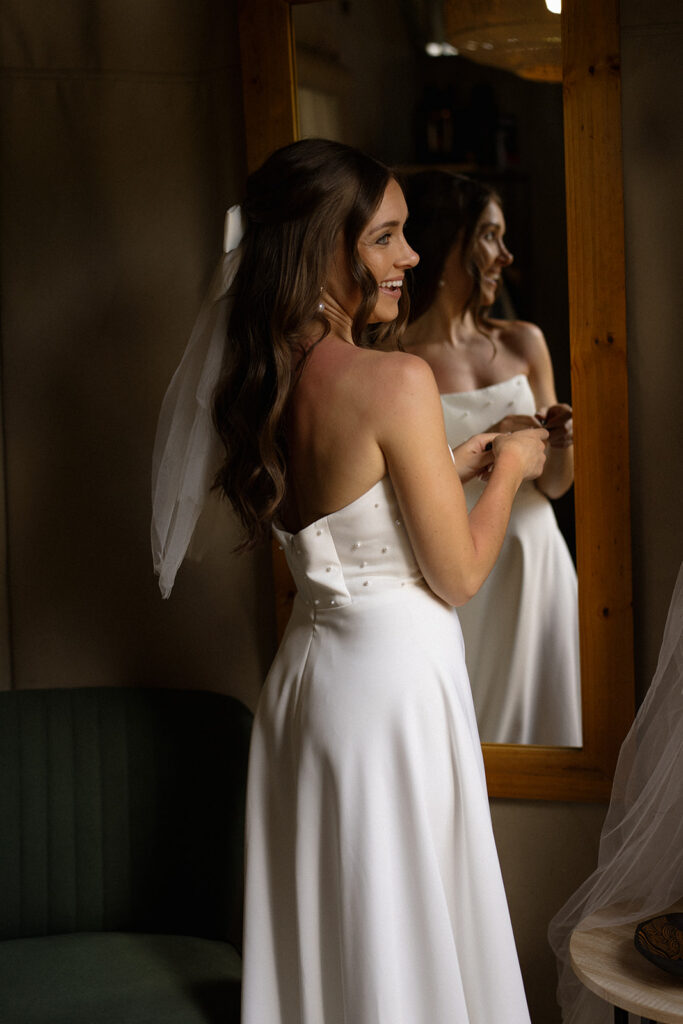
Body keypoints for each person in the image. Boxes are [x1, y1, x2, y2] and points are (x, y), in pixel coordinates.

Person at [152, 139, 549, 1023]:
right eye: (386, 237)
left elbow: (349, 518)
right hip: (392, 693)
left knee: (345, 938)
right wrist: (517, 463)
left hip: (309, 689)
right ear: (324, 248)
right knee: (400, 934)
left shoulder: (257, 377)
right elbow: (458, 575)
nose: (409, 256)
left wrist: (455, 463)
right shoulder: (395, 378)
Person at [401, 169, 582, 747]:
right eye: (488, 236)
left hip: (536, 563)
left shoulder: (524, 342)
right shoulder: (394, 361)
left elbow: (556, 487)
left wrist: (563, 440)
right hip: (460, 568)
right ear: (443, 242)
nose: (505, 255)